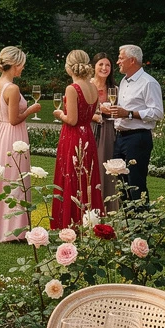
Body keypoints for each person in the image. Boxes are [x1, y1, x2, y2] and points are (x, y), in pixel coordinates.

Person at [0, 46, 40, 240]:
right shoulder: (12, 88)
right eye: (22, 65)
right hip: (13, 133)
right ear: (16, 64)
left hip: (0, 132)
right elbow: (14, 119)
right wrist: (32, 109)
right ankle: (12, 230)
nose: (23, 69)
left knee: (1, 178)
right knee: (14, 176)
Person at [105, 44, 164, 204]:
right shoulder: (124, 81)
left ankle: (142, 225)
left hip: (138, 139)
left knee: (136, 184)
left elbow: (158, 113)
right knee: (121, 184)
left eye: (120, 58)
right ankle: (127, 224)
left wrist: (129, 114)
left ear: (132, 60)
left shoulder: (148, 83)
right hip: (120, 138)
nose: (117, 62)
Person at [51, 50, 104, 228]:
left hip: (73, 137)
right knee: (86, 178)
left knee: (72, 177)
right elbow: (89, 115)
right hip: (87, 134)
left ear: (69, 66)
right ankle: (87, 221)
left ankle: (68, 222)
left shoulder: (72, 88)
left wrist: (59, 114)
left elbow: (72, 120)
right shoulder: (93, 87)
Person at [90, 52, 116, 205]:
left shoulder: (114, 88)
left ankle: (107, 204)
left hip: (108, 131)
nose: (104, 68)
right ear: (94, 66)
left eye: (108, 65)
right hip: (90, 127)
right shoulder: (87, 85)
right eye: (101, 64)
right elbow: (79, 109)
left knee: (105, 168)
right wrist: (97, 113)